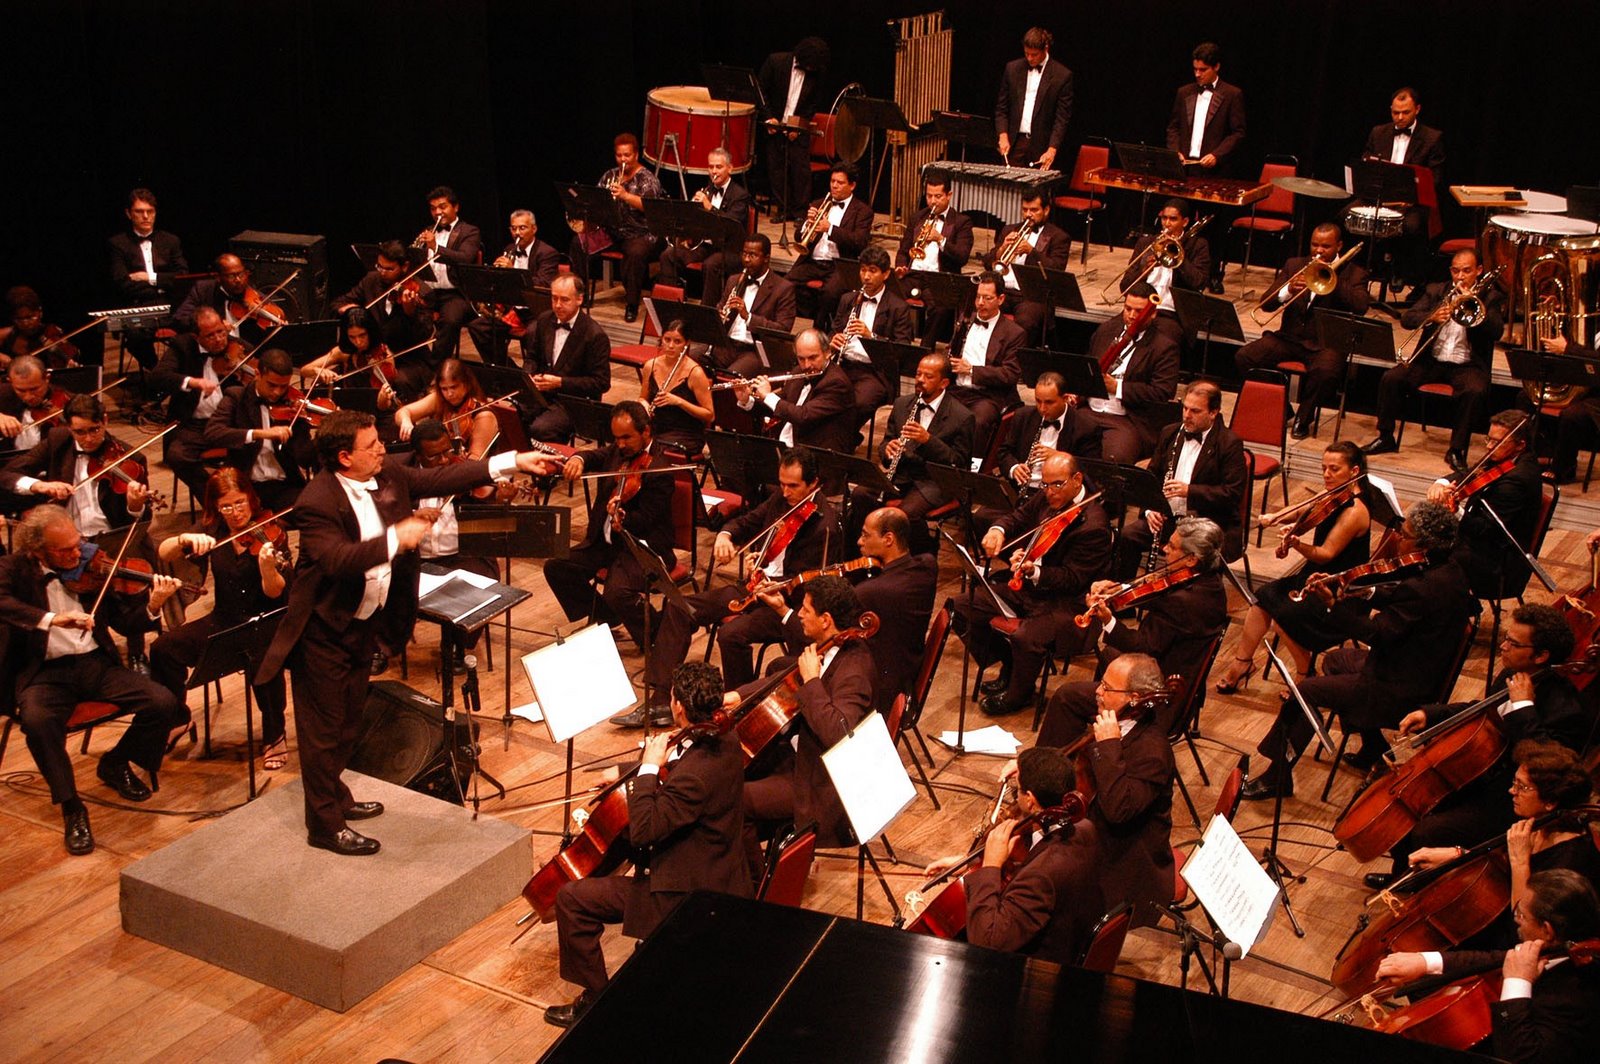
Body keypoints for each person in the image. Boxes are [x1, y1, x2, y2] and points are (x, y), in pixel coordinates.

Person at [255, 409, 560, 854]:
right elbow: (339, 559)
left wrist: (511, 460)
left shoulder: (388, 473)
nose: (382, 448)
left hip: (367, 621)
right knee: (322, 732)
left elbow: (440, 479)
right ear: (344, 457)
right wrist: (399, 536)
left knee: (348, 723)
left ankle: (335, 797)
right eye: (371, 444)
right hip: (324, 630)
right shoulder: (316, 501)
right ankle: (323, 825)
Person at [544, 661, 750, 1028]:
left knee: (572, 899)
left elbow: (645, 828)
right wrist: (630, 767)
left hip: (685, 891)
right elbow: (680, 757)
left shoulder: (696, 777)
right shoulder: (725, 738)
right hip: (720, 868)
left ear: (679, 707)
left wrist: (647, 770)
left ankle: (598, 1003)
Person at [1242, 501, 1479, 799]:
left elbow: (1378, 634)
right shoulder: (1448, 569)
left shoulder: (1424, 587)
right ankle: (1373, 747)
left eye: (1403, 534)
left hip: (1398, 687)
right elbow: (1400, 597)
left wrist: (1333, 606)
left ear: (1424, 543)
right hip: (1416, 666)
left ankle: (1278, 777)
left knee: (1307, 692)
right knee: (1338, 660)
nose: (1397, 539)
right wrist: (1359, 590)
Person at [0, 505, 186, 855]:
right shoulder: (13, 569)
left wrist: (153, 606)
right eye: (65, 549)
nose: (77, 553)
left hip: (93, 664)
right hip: (43, 673)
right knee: (38, 723)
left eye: (78, 543)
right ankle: (72, 807)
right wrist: (52, 619)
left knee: (163, 703)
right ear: (38, 548)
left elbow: (125, 624)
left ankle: (116, 761)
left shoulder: (92, 568)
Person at [1367, 623, 1594, 890]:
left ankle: (1421, 885)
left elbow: (1545, 762)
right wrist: (1431, 714)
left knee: (1428, 830)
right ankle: (1404, 874)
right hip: (1475, 776)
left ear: (1541, 656)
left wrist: (1523, 706)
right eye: (1506, 639)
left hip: (1511, 798)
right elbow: (1482, 709)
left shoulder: (1566, 709)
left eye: (1514, 643)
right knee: (1408, 804)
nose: (1503, 646)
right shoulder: (1511, 674)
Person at [627, 447, 837, 725]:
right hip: (753, 587)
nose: (785, 492)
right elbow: (747, 521)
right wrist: (725, 535)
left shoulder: (826, 527)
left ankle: (739, 708)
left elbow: (809, 586)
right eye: (782, 484)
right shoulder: (782, 498)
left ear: (813, 483)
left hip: (786, 605)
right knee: (680, 605)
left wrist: (768, 581)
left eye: (793, 486)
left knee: (731, 633)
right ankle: (663, 700)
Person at [1375, 868, 1600, 1064]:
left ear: (1547, 929)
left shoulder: (1578, 994)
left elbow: (1518, 1056)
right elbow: (1497, 958)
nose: (1516, 919)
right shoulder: (1566, 945)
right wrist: (1425, 962)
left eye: (1522, 914)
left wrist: (1517, 981)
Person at [1038, 516, 1229, 745]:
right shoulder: (1209, 582)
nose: (1164, 549)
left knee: (1067, 696)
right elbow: (1158, 591)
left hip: (1159, 696)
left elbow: (1143, 646)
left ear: (1191, 559)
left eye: (1172, 546)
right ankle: (1100, 738)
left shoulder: (1184, 602)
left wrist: (1108, 621)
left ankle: (1046, 769)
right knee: (1110, 655)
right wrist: (1118, 589)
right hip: (1174, 672)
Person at [150, 470, 293, 771]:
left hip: (266, 620)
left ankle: (274, 734)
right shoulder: (213, 530)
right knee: (164, 648)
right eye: (226, 506)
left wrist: (268, 568)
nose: (235, 512)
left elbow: (277, 591)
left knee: (261, 660)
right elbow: (164, 552)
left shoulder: (272, 531)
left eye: (240, 503)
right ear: (216, 507)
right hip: (225, 621)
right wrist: (183, 538)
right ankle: (178, 719)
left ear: (251, 499)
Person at [958, 452, 1113, 717]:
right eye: (1045, 484)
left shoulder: (1094, 526)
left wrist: (1034, 571)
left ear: (1077, 480)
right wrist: (999, 530)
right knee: (962, 606)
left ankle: (1020, 693)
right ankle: (1010, 664)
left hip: (1067, 603)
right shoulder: (1048, 496)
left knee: (1025, 636)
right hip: (1029, 588)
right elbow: (1017, 517)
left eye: (1056, 485)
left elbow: (1073, 578)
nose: (1049, 492)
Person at [737, 574, 874, 869]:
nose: (799, 613)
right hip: (799, 758)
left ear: (826, 620)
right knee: (730, 772)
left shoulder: (854, 670)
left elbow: (839, 734)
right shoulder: (829, 646)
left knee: (733, 800)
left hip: (819, 783)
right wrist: (735, 696)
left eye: (805, 610)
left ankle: (759, 886)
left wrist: (812, 680)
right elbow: (783, 679)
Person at [1213, 441, 1373, 694]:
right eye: (1323, 468)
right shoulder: (1333, 493)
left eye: (1334, 469)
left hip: (1337, 591)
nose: (1326, 475)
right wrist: (1274, 517)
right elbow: (1303, 511)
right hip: (1312, 579)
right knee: (1262, 599)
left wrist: (1297, 544)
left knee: (1282, 616)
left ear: (1354, 472)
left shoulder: (1355, 511)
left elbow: (1325, 554)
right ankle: (1242, 663)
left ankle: (1305, 673)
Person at [923, 747, 1103, 965]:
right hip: (1070, 939)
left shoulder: (1040, 877)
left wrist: (990, 865)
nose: (1014, 795)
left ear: (1030, 799)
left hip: (1039, 971)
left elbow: (986, 942)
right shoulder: (1085, 828)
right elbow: (1044, 859)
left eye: (1017, 790)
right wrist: (972, 865)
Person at [377, 418, 515, 676]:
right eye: (434, 456)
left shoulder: (462, 473)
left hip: (461, 554)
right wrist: (414, 515)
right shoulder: (398, 475)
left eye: (447, 452)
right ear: (417, 455)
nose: (444, 461)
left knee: (483, 586)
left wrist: (501, 500)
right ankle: (381, 646)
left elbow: (488, 521)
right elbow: (382, 517)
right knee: (380, 580)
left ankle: (456, 645)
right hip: (416, 557)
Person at [542, 401, 678, 655]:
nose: (621, 444)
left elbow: (647, 519)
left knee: (618, 592)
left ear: (646, 432)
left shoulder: (660, 470)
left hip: (638, 547)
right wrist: (579, 458)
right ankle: (607, 616)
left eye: (627, 437)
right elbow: (596, 455)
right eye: (617, 438)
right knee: (557, 567)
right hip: (606, 543)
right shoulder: (619, 451)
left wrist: (623, 517)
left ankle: (657, 635)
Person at [1364, 249, 1504, 472]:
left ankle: (1457, 450)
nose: (1460, 277)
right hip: (1431, 361)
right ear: (1450, 271)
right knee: (1391, 378)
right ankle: (1385, 436)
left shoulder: (1491, 296)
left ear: (1478, 271)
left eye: (1467, 271)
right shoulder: (1436, 291)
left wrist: (1475, 306)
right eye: (1456, 271)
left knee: (1475, 391)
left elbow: (1497, 331)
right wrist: (1430, 316)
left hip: (1467, 365)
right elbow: (1407, 318)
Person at [1235, 223, 1372, 439]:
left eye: (1325, 246)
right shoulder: (1295, 265)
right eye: (1314, 244)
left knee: (1326, 373)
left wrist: (1333, 279)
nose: (1318, 251)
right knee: (1245, 357)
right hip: (1289, 338)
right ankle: (1282, 408)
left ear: (1339, 246)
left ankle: (1304, 417)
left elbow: (1361, 306)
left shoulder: (1355, 274)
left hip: (1326, 344)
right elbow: (1267, 304)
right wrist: (1287, 290)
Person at [1068, 652, 1177, 915]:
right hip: (1099, 838)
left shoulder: (1153, 753)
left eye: (1107, 687)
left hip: (1124, 867)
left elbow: (1118, 810)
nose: (1098, 692)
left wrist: (1108, 746)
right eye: (1101, 683)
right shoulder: (1118, 724)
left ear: (1134, 698)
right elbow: (1074, 758)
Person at [1119, 380, 1247, 576]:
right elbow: (1151, 479)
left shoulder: (1229, 443)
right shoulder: (1170, 433)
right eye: (1185, 408)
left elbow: (1232, 494)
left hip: (1207, 524)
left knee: (1191, 556)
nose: (1187, 416)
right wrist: (1150, 509)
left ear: (1213, 413)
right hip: (1169, 518)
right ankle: (1122, 601)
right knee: (1128, 536)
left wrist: (1190, 491)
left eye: (1195, 411)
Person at [861, 352, 974, 552]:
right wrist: (887, 450)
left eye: (928, 377)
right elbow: (886, 441)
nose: (920, 380)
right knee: (861, 495)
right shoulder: (902, 404)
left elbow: (959, 464)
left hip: (934, 482)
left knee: (902, 516)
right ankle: (863, 556)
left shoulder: (962, 417)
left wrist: (928, 441)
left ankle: (922, 554)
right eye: (918, 374)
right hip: (901, 474)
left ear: (944, 383)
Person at [1426, 410, 1544, 600]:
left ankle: (1448, 611)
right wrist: (1441, 483)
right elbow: (1469, 473)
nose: (1489, 447)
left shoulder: (1518, 479)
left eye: (1496, 442)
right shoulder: (1502, 457)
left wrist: (1456, 511)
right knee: (1421, 533)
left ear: (1520, 445)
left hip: (1497, 562)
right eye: (1487, 439)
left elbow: (1487, 530)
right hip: (1479, 543)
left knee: (1432, 552)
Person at [1, 394, 153, 538]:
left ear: (105, 421)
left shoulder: (131, 458)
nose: (88, 439)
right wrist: (39, 485)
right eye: (79, 432)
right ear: (68, 427)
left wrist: (135, 507)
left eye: (95, 429)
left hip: (110, 537)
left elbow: (143, 522)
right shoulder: (58, 441)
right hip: (64, 536)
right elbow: (7, 474)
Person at [1062, 283, 1181, 464]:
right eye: (1128, 309)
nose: (1131, 316)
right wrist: (1076, 389)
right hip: (1088, 410)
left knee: (1115, 459)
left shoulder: (1164, 347)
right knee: (1059, 446)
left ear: (1153, 313)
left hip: (1126, 420)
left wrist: (1117, 387)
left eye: (1138, 311)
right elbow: (1087, 367)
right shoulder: (1106, 331)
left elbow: (1162, 392)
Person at [151, 307, 250, 498]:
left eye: (221, 331)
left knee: (253, 447)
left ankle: (245, 501)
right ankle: (215, 500)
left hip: (230, 423)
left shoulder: (238, 347)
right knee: (177, 456)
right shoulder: (182, 346)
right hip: (194, 425)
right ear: (197, 337)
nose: (219, 339)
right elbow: (157, 377)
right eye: (210, 336)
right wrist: (193, 382)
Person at [204, 348, 317, 512]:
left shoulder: (293, 406)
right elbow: (212, 433)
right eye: (272, 385)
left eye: (283, 386)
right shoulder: (236, 397)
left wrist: (300, 424)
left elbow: (305, 459)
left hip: (284, 485)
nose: (277, 392)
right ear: (257, 374)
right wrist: (259, 433)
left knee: (316, 513)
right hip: (246, 487)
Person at [1361, 88, 1446, 295]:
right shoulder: (1378, 132)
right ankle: (1357, 274)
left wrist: (1410, 199)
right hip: (1380, 199)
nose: (1399, 117)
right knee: (1345, 216)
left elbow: (1435, 179)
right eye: (1395, 112)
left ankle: (1399, 270)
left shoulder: (1432, 138)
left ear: (1417, 109)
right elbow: (1366, 164)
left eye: (1405, 112)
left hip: (1412, 203)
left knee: (1411, 225)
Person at [572, 133, 664, 324]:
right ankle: (581, 294)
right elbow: (597, 200)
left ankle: (631, 303)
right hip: (612, 231)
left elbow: (651, 207)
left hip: (640, 233)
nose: (623, 159)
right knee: (579, 243)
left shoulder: (647, 178)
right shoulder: (610, 175)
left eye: (627, 155)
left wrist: (625, 195)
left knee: (635, 255)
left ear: (636, 155)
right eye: (619, 155)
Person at [824, 245, 916, 429]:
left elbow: (901, 350)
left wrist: (871, 336)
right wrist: (833, 342)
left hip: (875, 372)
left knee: (857, 404)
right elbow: (833, 331)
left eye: (872, 271)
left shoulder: (899, 308)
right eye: (863, 270)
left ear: (886, 275)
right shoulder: (848, 299)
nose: (866, 276)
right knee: (822, 396)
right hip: (844, 364)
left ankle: (844, 440)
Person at [329, 239, 435, 393]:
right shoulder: (371, 280)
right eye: (380, 266)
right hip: (372, 353)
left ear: (404, 266)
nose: (382, 272)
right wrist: (349, 310)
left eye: (389, 269)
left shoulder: (423, 292)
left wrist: (410, 313)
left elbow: (423, 335)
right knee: (347, 375)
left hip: (407, 359)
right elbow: (337, 303)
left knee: (398, 382)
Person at [518, 274, 612, 442]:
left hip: (574, 402)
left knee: (541, 429)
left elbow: (601, 383)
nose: (558, 305)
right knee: (511, 414)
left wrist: (560, 382)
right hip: (542, 393)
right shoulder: (545, 320)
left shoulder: (595, 335)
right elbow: (532, 357)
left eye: (565, 300)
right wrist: (529, 376)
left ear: (579, 299)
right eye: (554, 299)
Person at [733, 328, 855, 453]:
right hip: (786, 446)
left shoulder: (837, 383)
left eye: (813, 358)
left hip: (815, 454)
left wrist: (768, 395)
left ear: (827, 352)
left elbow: (803, 416)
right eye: (801, 359)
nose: (807, 365)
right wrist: (747, 400)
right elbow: (780, 407)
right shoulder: (798, 371)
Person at [465, 208, 561, 366]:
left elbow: (544, 284)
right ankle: (507, 370)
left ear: (534, 229)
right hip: (513, 310)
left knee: (533, 333)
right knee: (479, 328)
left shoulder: (547, 253)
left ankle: (532, 376)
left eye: (522, 228)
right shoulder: (509, 249)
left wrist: (513, 272)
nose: (517, 233)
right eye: (513, 228)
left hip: (537, 311)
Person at [655, 149, 751, 304]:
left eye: (718, 167)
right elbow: (697, 222)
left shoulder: (740, 195)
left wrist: (709, 207)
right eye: (711, 167)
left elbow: (732, 225)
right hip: (705, 246)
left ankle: (707, 310)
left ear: (730, 168)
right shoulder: (707, 190)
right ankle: (671, 304)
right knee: (669, 255)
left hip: (730, 249)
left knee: (711, 265)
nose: (714, 171)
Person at [107, 188, 187, 371]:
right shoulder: (117, 244)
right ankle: (158, 373)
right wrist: (164, 285)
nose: (145, 216)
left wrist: (149, 278)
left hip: (170, 304)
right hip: (138, 304)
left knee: (193, 325)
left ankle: (183, 374)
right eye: (139, 212)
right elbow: (122, 283)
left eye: (150, 212)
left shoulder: (171, 241)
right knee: (135, 336)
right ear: (128, 214)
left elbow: (182, 277)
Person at [947, 271, 1026, 457]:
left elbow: (1010, 374)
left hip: (988, 395)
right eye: (978, 297)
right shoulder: (965, 320)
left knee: (978, 421)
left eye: (987, 298)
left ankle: (973, 467)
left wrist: (972, 370)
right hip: (958, 389)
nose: (980, 303)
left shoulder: (1015, 333)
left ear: (1001, 299)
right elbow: (952, 350)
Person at [785, 163, 876, 323]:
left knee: (830, 294)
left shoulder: (863, 211)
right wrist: (807, 223)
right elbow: (799, 237)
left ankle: (820, 329)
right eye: (832, 181)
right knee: (785, 285)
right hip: (813, 262)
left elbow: (859, 242)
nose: (834, 186)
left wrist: (830, 229)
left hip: (840, 265)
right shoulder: (818, 203)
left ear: (852, 185)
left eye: (840, 183)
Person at [895, 170, 975, 343]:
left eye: (938, 196)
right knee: (890, 295)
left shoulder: (962, 222)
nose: (933, 201)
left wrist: (940, 239)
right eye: (929, 196)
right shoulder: (917, 217)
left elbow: (962, 256)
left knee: (940, 308)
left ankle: (925, 349)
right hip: (913, 274)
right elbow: (903, 251)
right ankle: (903, 342)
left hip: (940, 279)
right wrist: (901, 266)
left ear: (949, 195)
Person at [983, 190, 1072, 345]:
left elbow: (1056, 270)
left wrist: (1032, 252)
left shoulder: (1059, 237)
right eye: (1025, 210)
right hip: (1003, 290)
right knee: (978, 307)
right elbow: (988, 262)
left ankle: (1013, 363)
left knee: (1025, 322)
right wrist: (1002, 249)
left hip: (1032, 296)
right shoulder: (1009, 230)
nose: (1028, 215)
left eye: (1034, 210)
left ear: (1046, 210)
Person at [757, 37, 830, 223]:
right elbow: (760, 91)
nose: (813, 69)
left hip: (798, 127)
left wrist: (799, 124)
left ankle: (800, 212)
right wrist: (768, 117)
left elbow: (814, 103)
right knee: (776, 169)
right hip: (774, 123)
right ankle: (783, 209)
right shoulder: (776, 61)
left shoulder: (818, 72)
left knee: (800, 171)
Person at [1114, 199, 1211, 338]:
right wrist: (1144, 270)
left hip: (1171, 313)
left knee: (1159, 338)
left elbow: (1200, 282)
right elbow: (1124, 287)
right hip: (1141, 308)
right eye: (1164, 218)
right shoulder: (1146, 243)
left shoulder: (1197, 245)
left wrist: (1178, 260)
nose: (1167, 223)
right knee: (1108, 331)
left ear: (1184, 222)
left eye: (1173, 219)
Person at [413, 185, 482, 362]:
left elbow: (465, 258)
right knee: (402, 315)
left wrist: (435, 247)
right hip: (428, 293)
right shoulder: (428, 231)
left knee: (450, 321)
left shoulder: (469, 231)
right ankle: (414, 363)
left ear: (455, 207)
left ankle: (436, 370)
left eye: (442, 207)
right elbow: (415, 264)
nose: (437, 212)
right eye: (433, 208)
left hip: (457, 294)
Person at [714, 234, 798, 374]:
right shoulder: (734, 280)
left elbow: (783, 329)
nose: (746, 260)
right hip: (726, 345)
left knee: (730, 377)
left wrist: (748, 317)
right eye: (745, 254)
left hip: (754, 351)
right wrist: (719, 315)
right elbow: (720, 307)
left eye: (753, 255)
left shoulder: (783, 288)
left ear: (766, 258)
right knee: (693, 364)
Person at [298, 306, 403, 418]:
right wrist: (317, 370)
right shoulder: (344, 352)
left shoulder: (384, 356)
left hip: (376, 413)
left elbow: (382, 406)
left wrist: (383, 400)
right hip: (349, 410)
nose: (358, 342)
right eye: (352, 337)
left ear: (370, 332)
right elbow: (304, 370)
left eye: (362, 335)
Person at [993, 27, 1073, 170]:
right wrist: (1003, 135)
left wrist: (1052, 149)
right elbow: (1001, 108)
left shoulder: (1062, 76)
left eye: (1034, 55)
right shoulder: (1012, 69)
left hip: (1042, 148)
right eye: (1026, 54)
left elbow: (1061, 119)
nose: (1029, 58)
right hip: (1014, 144)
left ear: (1046, 48)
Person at [1165, 41, 1247, 175]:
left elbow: (1238, 133)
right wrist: (1175, 152)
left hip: (1215, 171)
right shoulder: (1184, 92)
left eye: (1203, 70)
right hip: (1184, 168)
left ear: (1216, 67)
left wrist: (1217, 155)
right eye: (1195, 69)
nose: (1197, 74)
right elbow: (1173, 127)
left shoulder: (1232, 94)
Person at [394, 358, 499, 460]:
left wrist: (455, 457)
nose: (449, 394)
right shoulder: (439, 399)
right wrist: (405, 421)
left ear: (467, 384)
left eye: (454, 387)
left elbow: (475, 460)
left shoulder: (484, 416)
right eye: (444, 388)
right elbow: (403, 412)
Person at [641, 321, 714, 457]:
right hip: (656, 426)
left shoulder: (695, 373)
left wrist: (679, 401)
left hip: (685, 433)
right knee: (630, 442)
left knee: (654, 449)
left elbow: (709, 414)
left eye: (677, 341)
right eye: (667, 340)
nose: (670, 346)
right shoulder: (650, 366)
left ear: (686, 344)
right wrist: (643, 405)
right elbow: (642, 398)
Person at [174, 253, 281, 345]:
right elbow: (180, 318)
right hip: (213, 348)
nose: (239, 280)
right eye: (232, 276)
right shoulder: (203, 290)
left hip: (245, 350)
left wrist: (275, 319)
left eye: (241, 274)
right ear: (218, 277)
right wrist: (213, 324)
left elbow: (275, 311)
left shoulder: (252, 294)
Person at [0, 356, 72, 462]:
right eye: (21, 390)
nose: (28, 396)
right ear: (10, 381)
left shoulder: (68, 400)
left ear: (47, 378)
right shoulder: (4, 393)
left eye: (34, 389)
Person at [1, 287, 80, 370]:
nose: (25, 323)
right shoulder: (8, 335)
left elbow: (70, 355)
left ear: (40, 312)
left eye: (30, 317)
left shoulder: (51, 333)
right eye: (19, 319)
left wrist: (68, 363)